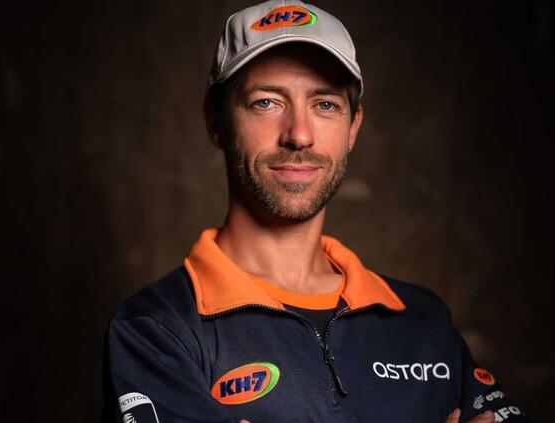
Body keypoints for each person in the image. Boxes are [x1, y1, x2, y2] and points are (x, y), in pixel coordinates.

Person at [101, 1, 532, 422]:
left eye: (325, 104)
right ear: (217, 122)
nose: (300, 135)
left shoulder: (422, 321)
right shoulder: (156, 328)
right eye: (266, 102)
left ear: (353, 127)